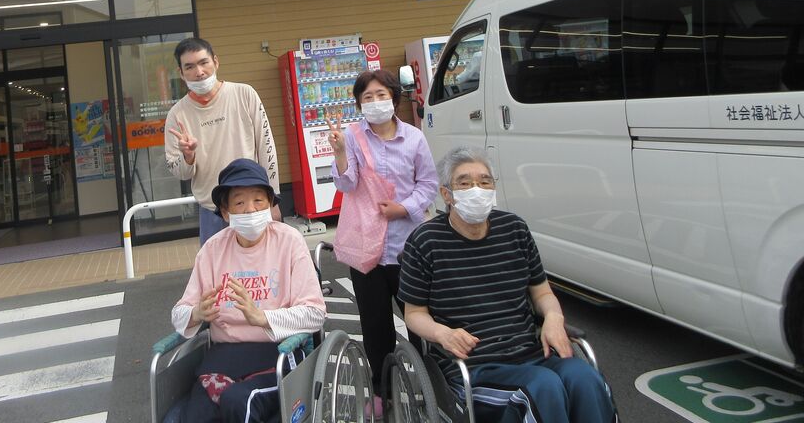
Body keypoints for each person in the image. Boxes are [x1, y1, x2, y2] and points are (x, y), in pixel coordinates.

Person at [398, 146, 617, 423]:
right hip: (474, 366)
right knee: (543, 387)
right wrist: (443, 334)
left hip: (531, 353)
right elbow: (414, 314)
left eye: (485, 182)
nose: (477, 189)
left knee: (585, 378)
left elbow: (542, 292)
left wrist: (553, 318)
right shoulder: (425, 241)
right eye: (464, 183)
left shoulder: (514, 229)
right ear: (446, 194)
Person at [170, 159, 326, 423]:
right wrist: (197, 313)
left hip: (278, 354)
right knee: (197, 415)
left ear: (270, 204)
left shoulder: (289, 242)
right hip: (222, 360)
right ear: (226, 212)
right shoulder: (212, 250)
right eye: (240, 202)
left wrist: (262, 317)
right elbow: (178, 314)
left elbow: (315, 314)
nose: (250, 209)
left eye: (258, 200)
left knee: (239, 401)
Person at [326, 68, 438, 420]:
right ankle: (381, 391)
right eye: (367, 97)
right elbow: (346, 184)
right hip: (367, 250)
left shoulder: (414, 138)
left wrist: (404, 208)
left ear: (394, 99)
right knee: (375, 327)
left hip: (409, 248)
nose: (375, 102)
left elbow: (428, 183)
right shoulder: (353, 136)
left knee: (420, 322)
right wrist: (340, 152)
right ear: (359, 104)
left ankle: (429, 385)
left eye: (381, 95)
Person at [165, 37, 280, 244]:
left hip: (253, 207)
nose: (199, 72)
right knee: (216, 265)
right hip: (212, 210)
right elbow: (179, 171)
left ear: (216, 62)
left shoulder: (244, 94)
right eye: (189, 67)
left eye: (204, 62)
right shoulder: (177, 114)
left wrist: (274, 199)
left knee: (264, 263)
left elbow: (267, 147)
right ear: (181, 73)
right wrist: (188, 156)